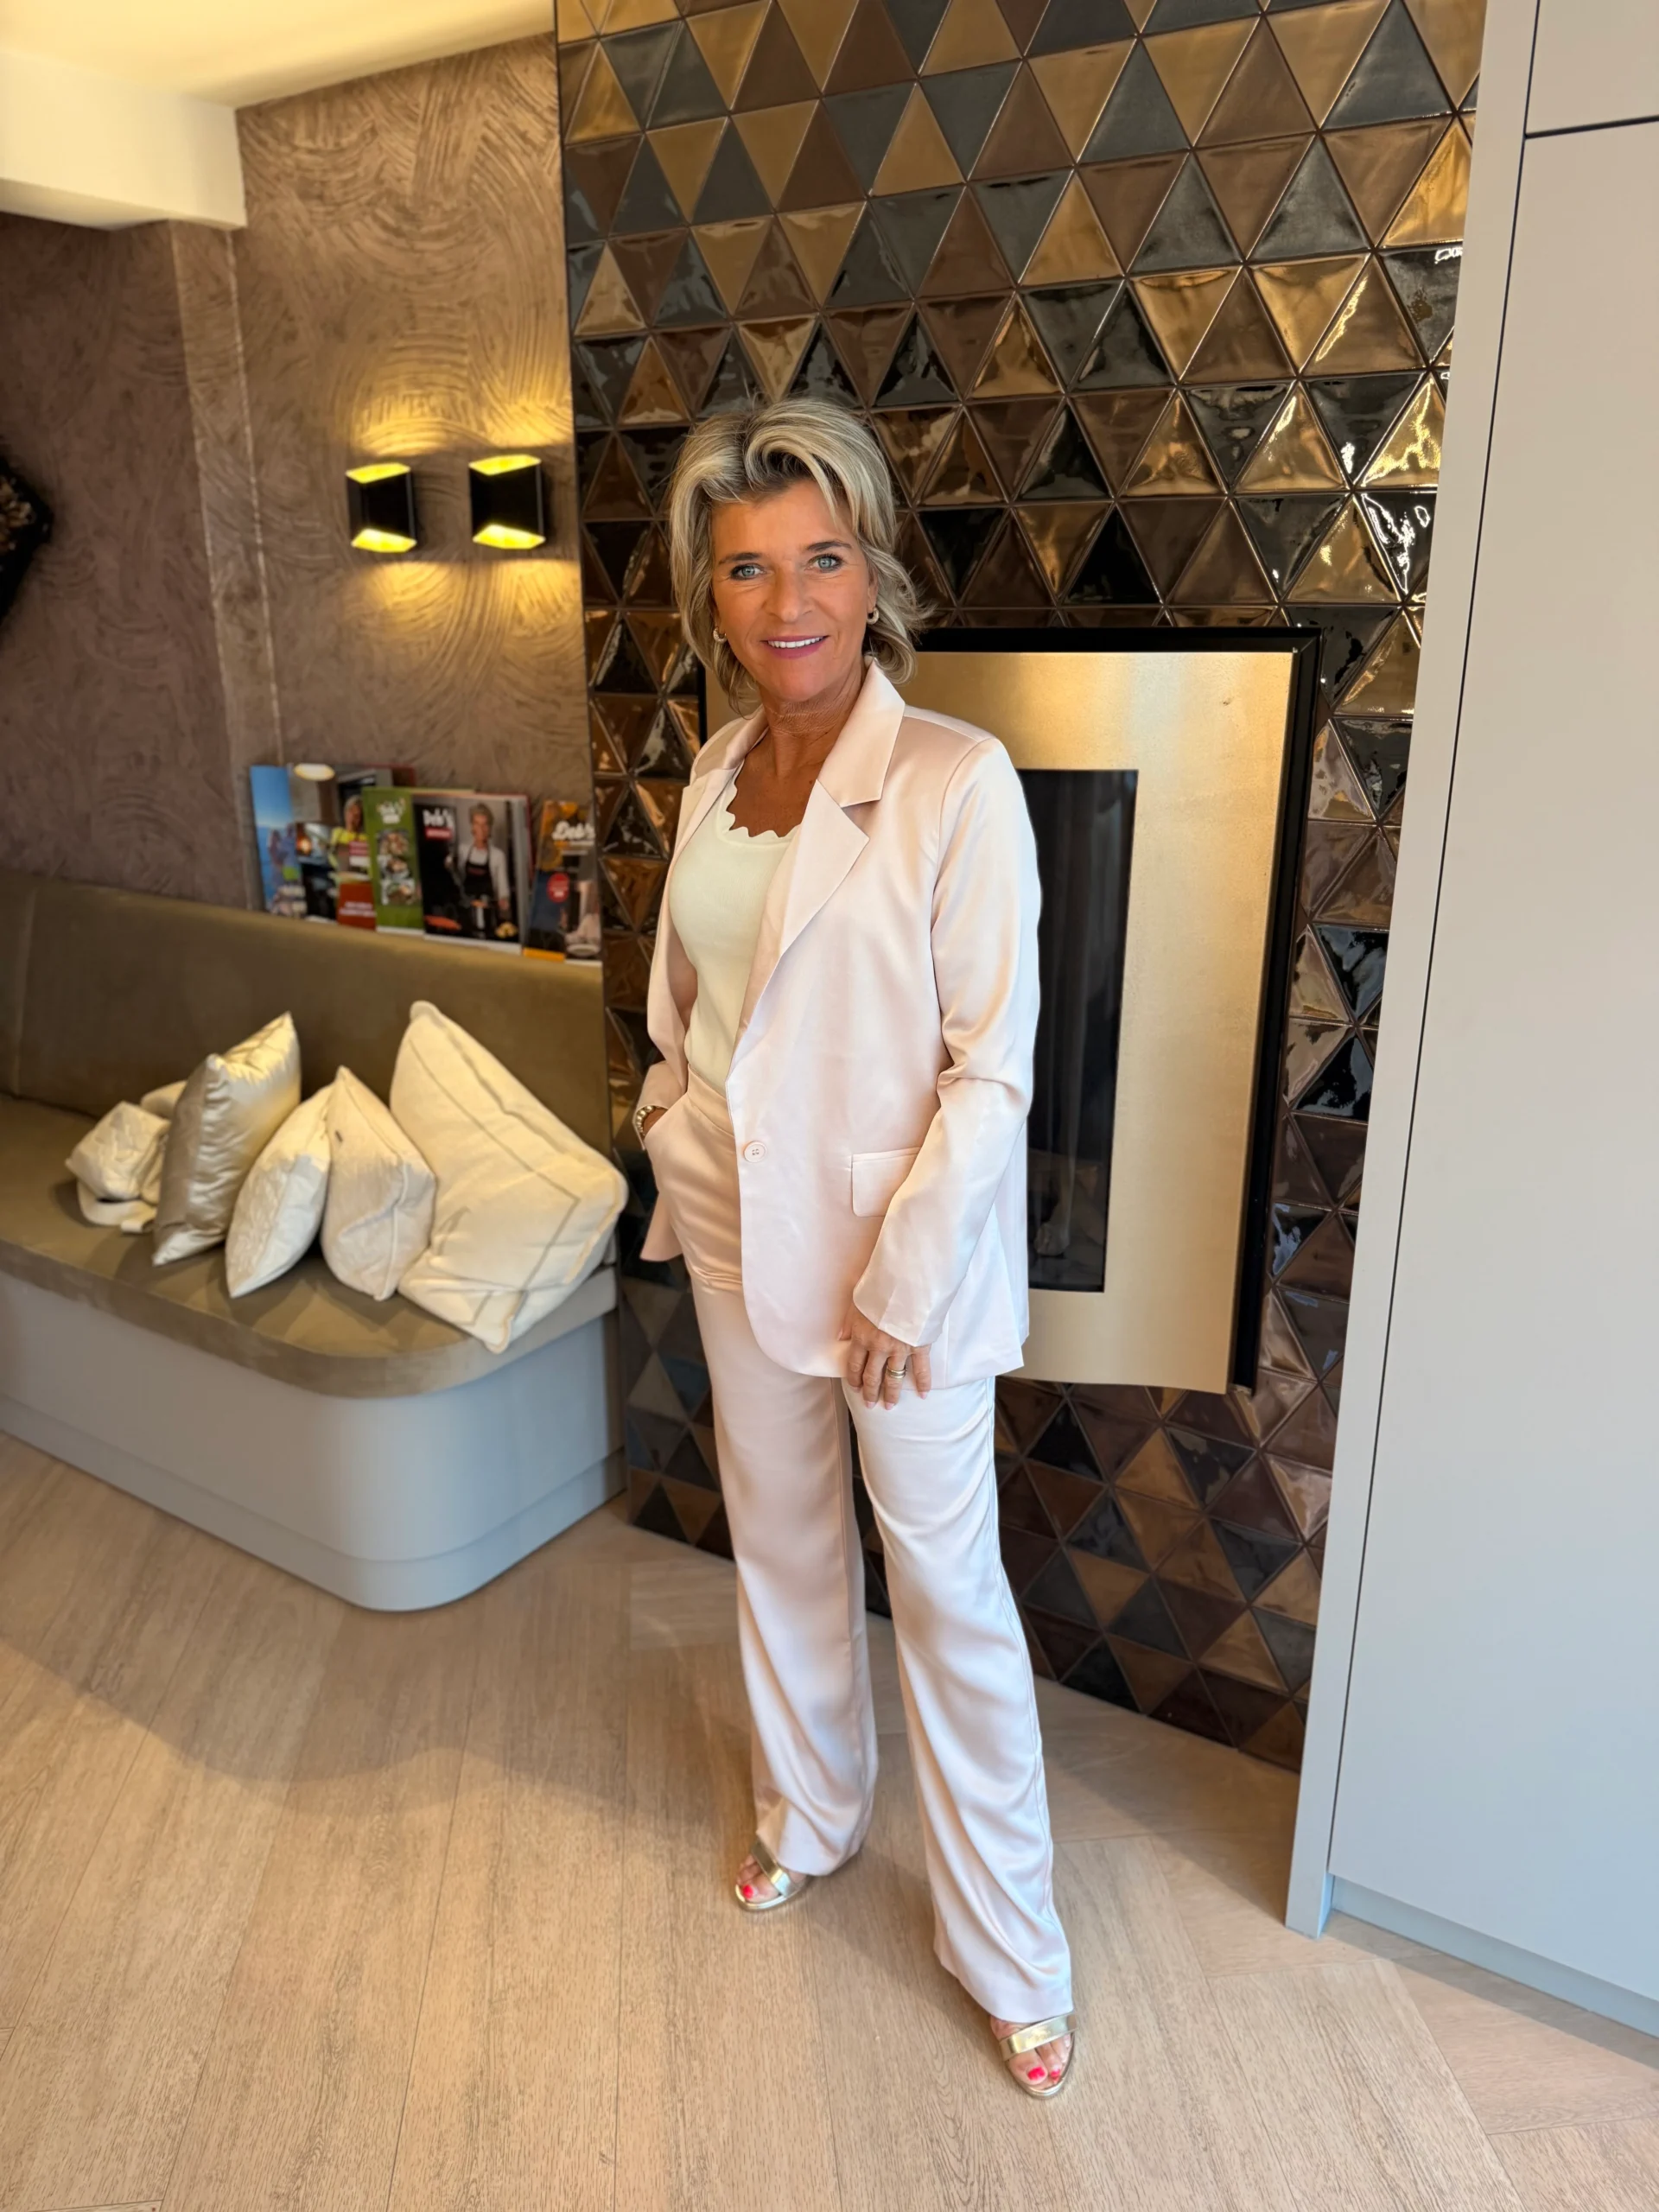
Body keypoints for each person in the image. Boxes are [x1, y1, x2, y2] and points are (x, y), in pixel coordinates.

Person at [635, 396, 1074, 2097]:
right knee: (785, 1544)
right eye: (749, 567)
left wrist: (900, 1280)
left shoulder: (956, 779)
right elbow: (699, 996)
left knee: (948, 1593)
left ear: (873, 569)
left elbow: (994, 1067)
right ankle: (808, 1811)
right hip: (736, 1217)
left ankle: (1010, 1948)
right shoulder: (716, 769)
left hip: (901, 1265)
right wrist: (671, 1114)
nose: (788, 599)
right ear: (713, 593)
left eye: (819, 556)